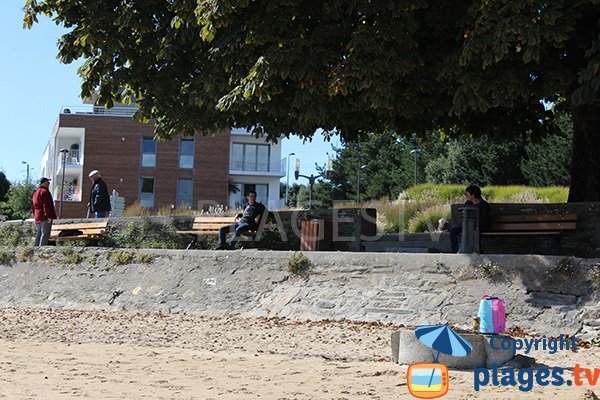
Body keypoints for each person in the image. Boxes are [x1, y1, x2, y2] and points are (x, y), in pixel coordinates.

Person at [450, 184, 491, 253]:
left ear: (473, 195)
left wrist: (473, 225)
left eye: (467, 194)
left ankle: (477, 250)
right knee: (453, 231)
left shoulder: (484, 206)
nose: (466, 196)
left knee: (473, 231)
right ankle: (455, 251)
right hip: (468, 226)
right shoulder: (468, 204)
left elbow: (484, 220)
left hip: (480, 227)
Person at [32, 177, 57, 247]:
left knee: (39, 233)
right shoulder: (45, 192)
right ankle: (41, 250)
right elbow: (46, 205)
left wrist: (35, 217)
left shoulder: (35, 193)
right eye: (48, 182)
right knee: (45, 234)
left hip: (38, 216)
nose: (49, 184)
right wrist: (49, 216)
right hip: (45, 216)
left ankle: (36, 249)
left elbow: (33, 206)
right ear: (45, 183)